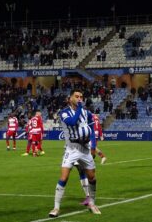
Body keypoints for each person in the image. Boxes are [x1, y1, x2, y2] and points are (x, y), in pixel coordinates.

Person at [49, 89, 101, 217]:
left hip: (85, 149)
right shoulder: (64, 113)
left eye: (81, 97)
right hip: (71, 149)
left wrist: (93, 146)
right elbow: (72, 122)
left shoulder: (86, 113)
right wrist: (79, 108)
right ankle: (56, 208)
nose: (79, 99)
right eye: (76, 96)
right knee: (64, 177)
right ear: (70, 98)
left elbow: (92, 129)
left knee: (92, 178)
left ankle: (92, 203)